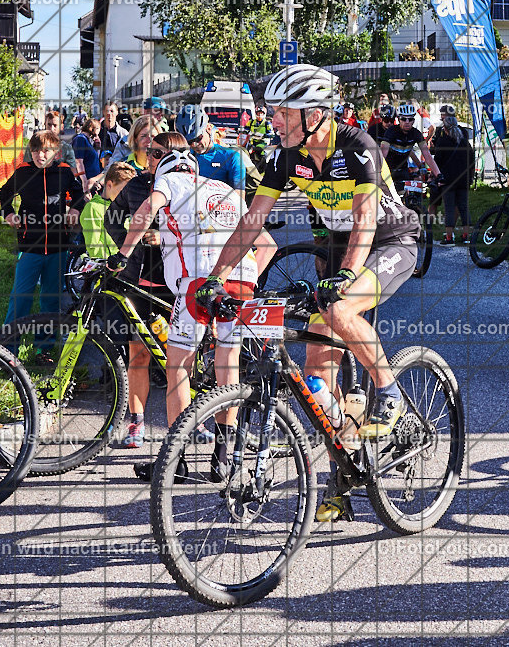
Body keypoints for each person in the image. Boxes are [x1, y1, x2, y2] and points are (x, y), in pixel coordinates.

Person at [193, 64, 420, 522]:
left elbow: (366, 221)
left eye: (280, 112)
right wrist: (215, 276)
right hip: (339, 250)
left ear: (313, 113)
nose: (271, 120)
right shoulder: (285, 157)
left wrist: (346, 274)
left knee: (337, 311)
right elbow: (252, 220)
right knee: (321, 376)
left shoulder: (358, 148)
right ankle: (345, 475)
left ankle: (390, 393)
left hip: (390, 242)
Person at [108, 135, 273, 481]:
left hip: (198, 281)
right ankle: (223, 460)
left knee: (178, 365)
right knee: (228, 363)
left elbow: (144, 212)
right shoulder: (224, 189)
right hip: (239, 278)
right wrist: (248, 277)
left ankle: (175, 461)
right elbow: (267, 244)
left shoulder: (168, 180)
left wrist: (122, 256)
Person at [103, 129, 175, 448]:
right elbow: (111, 220)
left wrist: (166, 239)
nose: (150, 155)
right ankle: (137, 422)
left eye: (158, 152)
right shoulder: (135, 185)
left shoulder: (183, 186)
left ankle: (186, 423)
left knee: (178, 356)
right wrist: (127, 249)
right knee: (138, 354)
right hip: (138, 281)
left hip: (173, 283)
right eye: (149, 150)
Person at [0, 130, 84, 338]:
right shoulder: (23, 172)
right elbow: (4, 193)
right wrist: (8, 213)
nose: (41, 155)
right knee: (20, 298)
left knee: (50, 300)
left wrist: (75, 209)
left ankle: (44, 348)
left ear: (56, 153)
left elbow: (79, 193)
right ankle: (8, 347)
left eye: (46, 151)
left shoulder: (64, 172)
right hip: (29, 246)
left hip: (58, 247)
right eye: (36, 150)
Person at [430, 105, 475, 245]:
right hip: (464, 180)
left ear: (445, 128)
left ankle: (449, 237)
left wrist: (436, 177)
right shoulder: (465, 142)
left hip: (448, 181)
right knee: (463, 207)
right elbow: (472, 162)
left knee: (449, 208)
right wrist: (470, 178)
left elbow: (437, 162)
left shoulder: (442, 142)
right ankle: (466, 236)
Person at [79, 162, 136, 259]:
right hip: (107, 269)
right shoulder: (93, 208)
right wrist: (116, 263)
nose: (126, 196)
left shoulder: (125, 208)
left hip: (126, 265)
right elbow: (94, 248)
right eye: (122, 191)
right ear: (109, 184)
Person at [381, 102, 442, 190]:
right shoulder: (391, 132)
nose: (407, 122)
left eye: (410, 119)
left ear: (413, 120)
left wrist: (438, 175)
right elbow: (382, 154)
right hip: (388, 170)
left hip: (403, 170)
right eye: (403, 119)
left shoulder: (416, 134)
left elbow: (428, 156)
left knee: (411, 196)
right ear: (398, 119)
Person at [26, 110, 85, 189]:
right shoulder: (33, 145)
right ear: (45, 125)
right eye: (49, 125)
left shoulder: (66, 148)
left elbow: (72, 173)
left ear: (61, 127)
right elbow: (26, 169)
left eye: (55, 125)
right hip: (36, 187)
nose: (51, 128)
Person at [71, 118, 103, 182]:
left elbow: (93, 160)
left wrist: (98, 147)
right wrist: (84, 181)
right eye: (99, 128)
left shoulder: (88, 141)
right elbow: (79, 162)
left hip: (93, 180)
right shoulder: (80, 139)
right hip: (87, 181)